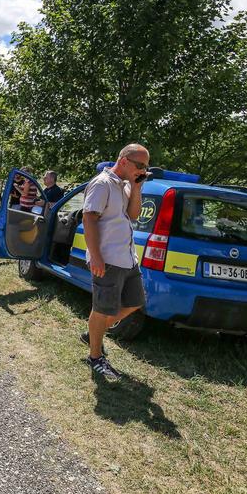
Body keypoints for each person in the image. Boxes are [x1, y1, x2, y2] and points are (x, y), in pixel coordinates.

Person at [82, 143, 150, 381]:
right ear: (123, 161)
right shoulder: (102, 184)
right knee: (102, 308)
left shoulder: (125, 185)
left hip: (127, 258)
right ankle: (95, 357)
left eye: (146, 167)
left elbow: (133, 215)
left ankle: (93, 333)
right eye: (140, 165)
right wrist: (96, 256)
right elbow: (89, 219)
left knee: (136, 301)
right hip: (108, 258)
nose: (143, 170)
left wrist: (136, 187)